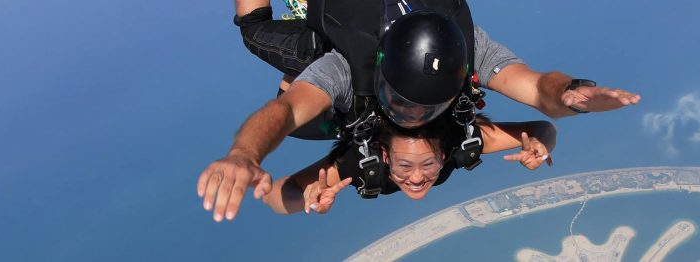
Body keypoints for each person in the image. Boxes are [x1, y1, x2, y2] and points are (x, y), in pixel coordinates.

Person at [196, 0, 641, 222]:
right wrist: (561, 111)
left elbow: (538, 89)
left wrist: (570, 95)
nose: (416, 177)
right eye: (425, 164)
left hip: (342, 69)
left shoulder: (458, 53)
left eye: (411, 164)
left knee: (274, 55)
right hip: (357, 49)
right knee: (297, 82)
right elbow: (541, 111)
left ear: (385, 155)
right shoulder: (458, 131)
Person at [259, 116, 556, 215]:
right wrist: (305, 198)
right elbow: (277, 196)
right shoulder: (359, 162)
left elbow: (541, 129)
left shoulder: (461, 142)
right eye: (404, 165)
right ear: (385, 156)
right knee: (254, 30)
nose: (416, 177)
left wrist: (540, 146)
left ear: (443, 154)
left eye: (428, 163)